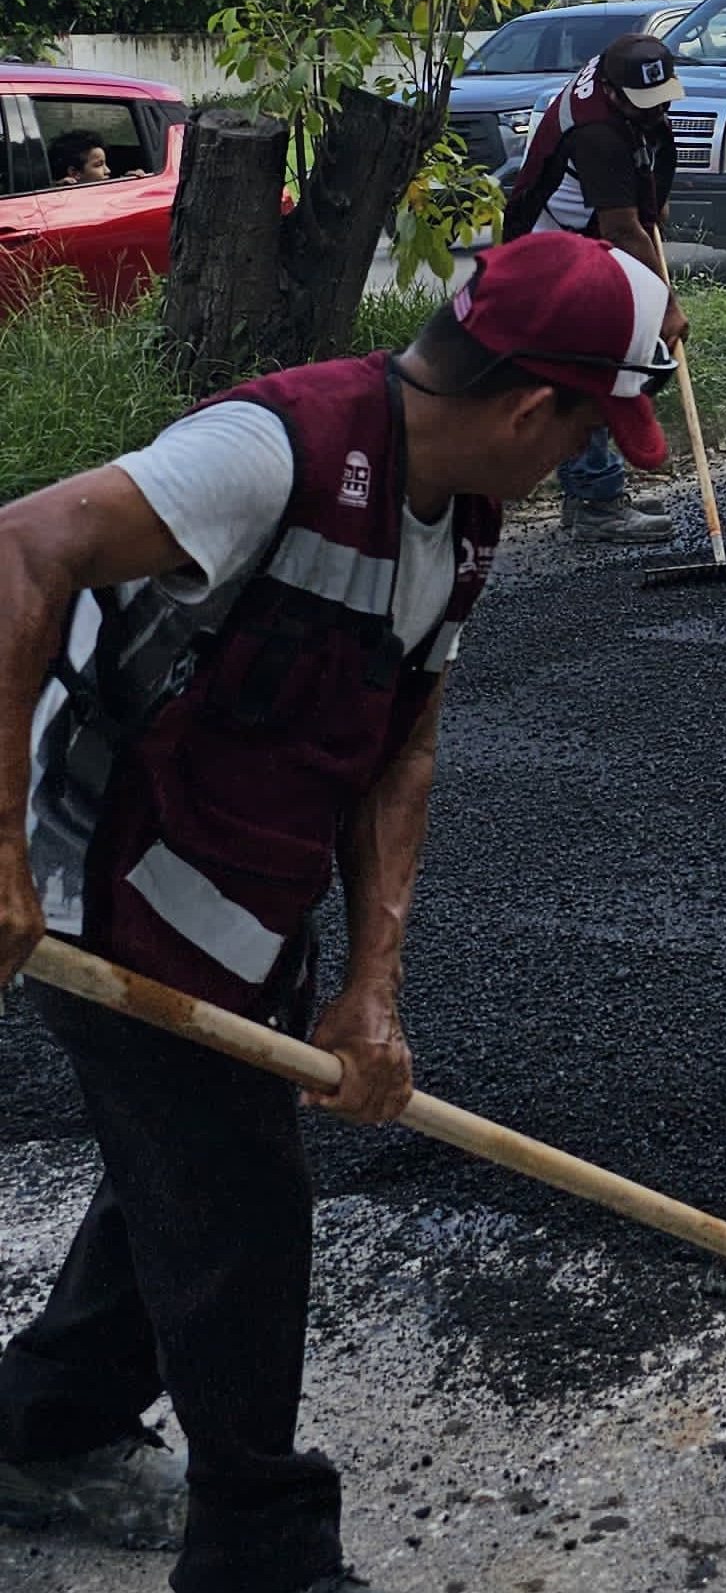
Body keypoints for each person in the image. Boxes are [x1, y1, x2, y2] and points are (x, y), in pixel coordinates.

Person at [0, 233, 676, 1593]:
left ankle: (41, 1429)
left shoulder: (460, 519)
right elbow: (23, 543)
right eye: (590, 429)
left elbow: (400, 742)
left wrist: (373, 983)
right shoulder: (271, 452)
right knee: (237, 1195)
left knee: (177, 1181)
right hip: (91, 876)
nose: (578, 462)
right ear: (536, 409)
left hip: (237, 886)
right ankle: (262, 1549)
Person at [504, 31, 690, 545]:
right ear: (611, 93)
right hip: (549, 253)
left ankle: (589, 490)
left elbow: (652, 143)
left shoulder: (626, 86)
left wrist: (656, 200)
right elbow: (623, 230)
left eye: (661, 102)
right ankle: (594, 500)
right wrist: (666, 306)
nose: (655, 113)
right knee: (596, 362)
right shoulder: (598, 135)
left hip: (586, 238)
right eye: (643, 107)